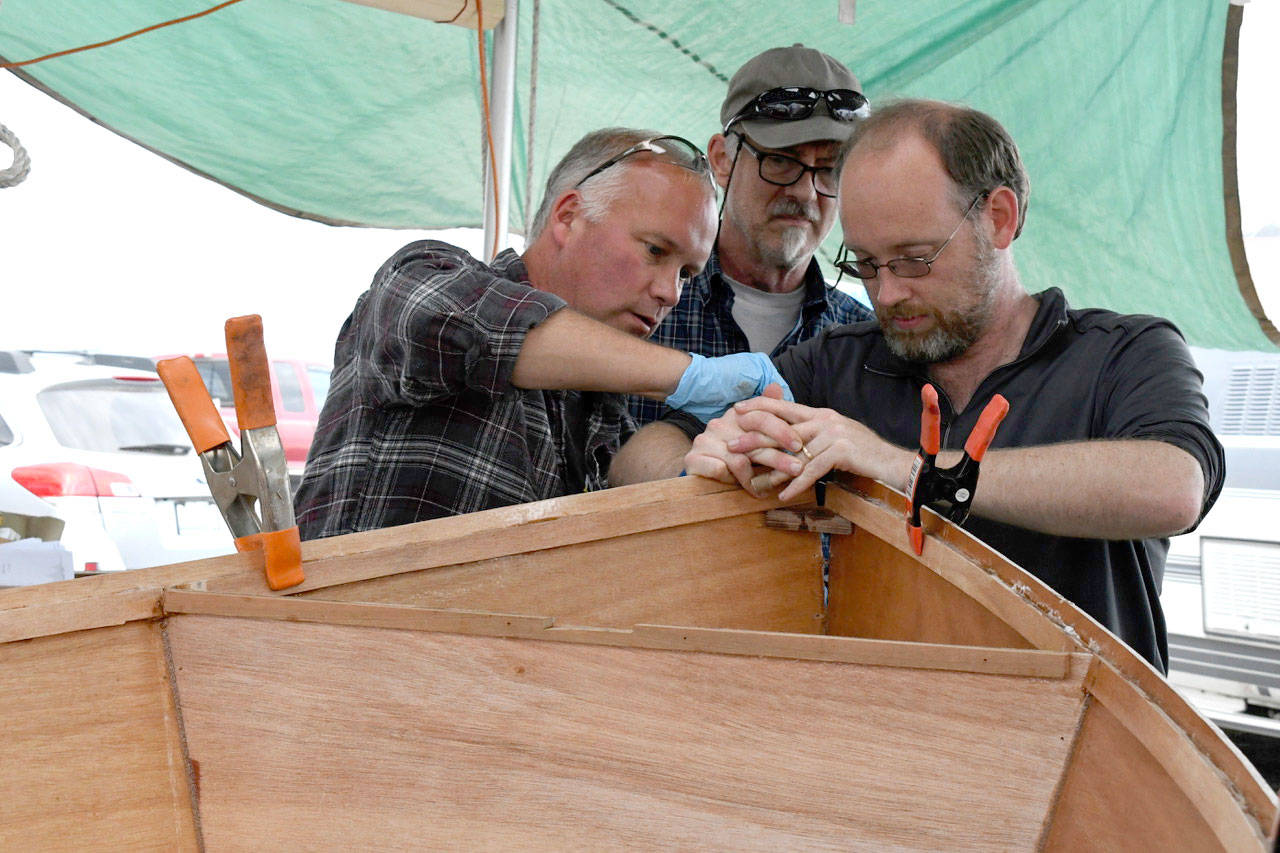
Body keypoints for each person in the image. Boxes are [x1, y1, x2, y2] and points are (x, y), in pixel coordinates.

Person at [614, 101, 1224, 672]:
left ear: (1000, 218)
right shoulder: (838, 364)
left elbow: (1172, 488)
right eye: (866, 265)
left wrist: (908, 471)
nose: (887, 294)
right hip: (893, 748)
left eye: (914, 259)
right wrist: (703, 464)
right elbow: (634, 460)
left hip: (1080, 750)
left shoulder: (1121, 354)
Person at [296, 128, 791, 540]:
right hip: (341, 650)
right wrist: (692, 375)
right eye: (656, 251)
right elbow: (463, 323)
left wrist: (702, 471)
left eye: (687, 274)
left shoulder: (598, 405)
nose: (670, 293)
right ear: (569, 215)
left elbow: (630, 471)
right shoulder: (423, 278)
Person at [627, 44, 875, 429]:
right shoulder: (641, 305)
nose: (805, 192)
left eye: (829, 170)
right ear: (722, 160)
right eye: (780, 160)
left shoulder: (867, 343)